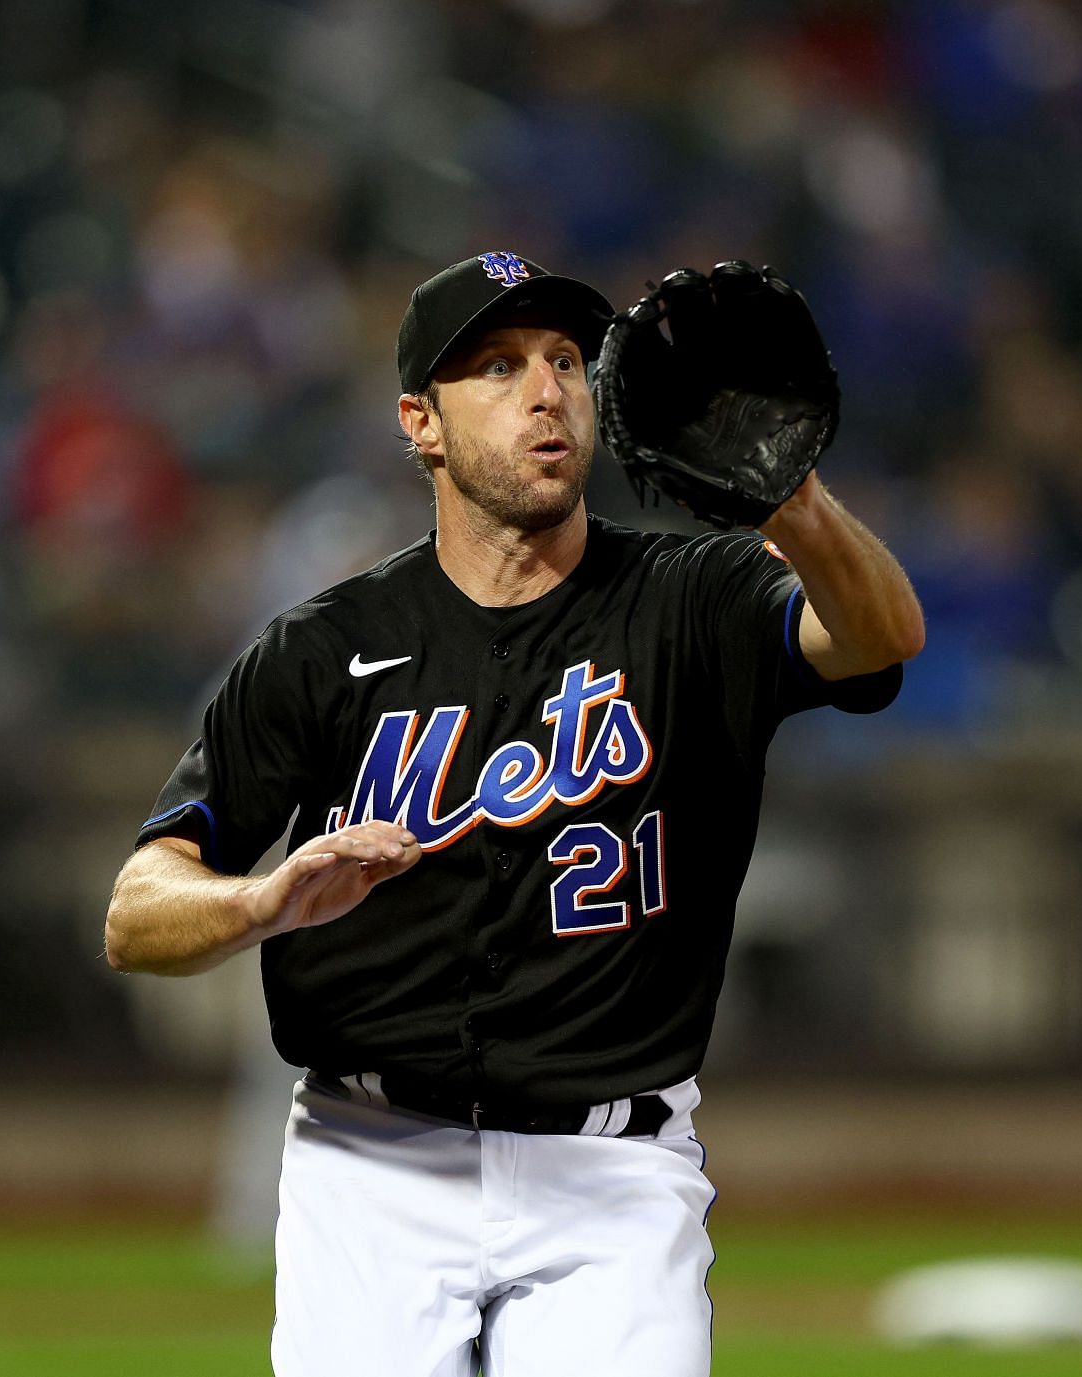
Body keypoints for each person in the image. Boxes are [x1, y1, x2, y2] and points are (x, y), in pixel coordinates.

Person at [102, 251, 923, 1377]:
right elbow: (136, 913)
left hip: (613, 1180)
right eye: (496, 366)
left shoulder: (696, 598)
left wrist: (796, 503)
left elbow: (879, 641)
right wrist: (259, 900)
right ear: (420, 424)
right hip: (369, 1163)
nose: (547, 390)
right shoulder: (321, 649)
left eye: (566, 360)